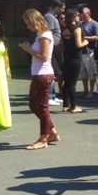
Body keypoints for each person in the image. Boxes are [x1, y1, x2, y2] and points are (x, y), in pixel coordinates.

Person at [19, 9, 60, 149]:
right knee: (33, 105)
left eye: (28, 23)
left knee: (42, 107)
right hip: (38, 74)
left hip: (44, 74)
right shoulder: (40, 35)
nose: (27, 26)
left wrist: (28, 49)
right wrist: (28, 47)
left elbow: (43, 57)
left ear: (34, 21)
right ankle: (53, 132)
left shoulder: (45, 35)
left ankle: (43, 139)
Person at [61, 9, 88, 113]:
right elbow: (78, 45)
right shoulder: (77, 29)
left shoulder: (65, 28)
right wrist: (86, 42)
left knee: (67, 82)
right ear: (73, 17)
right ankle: (73, 106)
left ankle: (65, 105)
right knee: (72, 82)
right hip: (75, 58)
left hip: (67, 57)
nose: (78, 17)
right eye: (77, 15)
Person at [44, 0, 66, 107]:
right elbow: (48, 33)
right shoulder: (49, 17)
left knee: (55, 72)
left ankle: (52, 95)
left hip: (56, 46)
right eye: (62, 8)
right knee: (52, 71)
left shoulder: (53, 17)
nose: (63, 10)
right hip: (52, 47)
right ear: (56, 7)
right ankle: (49, 96)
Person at [79, 7, 98, 99]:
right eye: (82, 16)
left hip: (90, 51)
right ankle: (85, 90)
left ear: (89, 14)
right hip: (81, 52)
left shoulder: (94, 24)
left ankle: (92, 91)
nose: (83, 17)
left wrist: (86, 38)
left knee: (91, 72)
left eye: (85, 15)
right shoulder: (80, 24)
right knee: (83, 73)